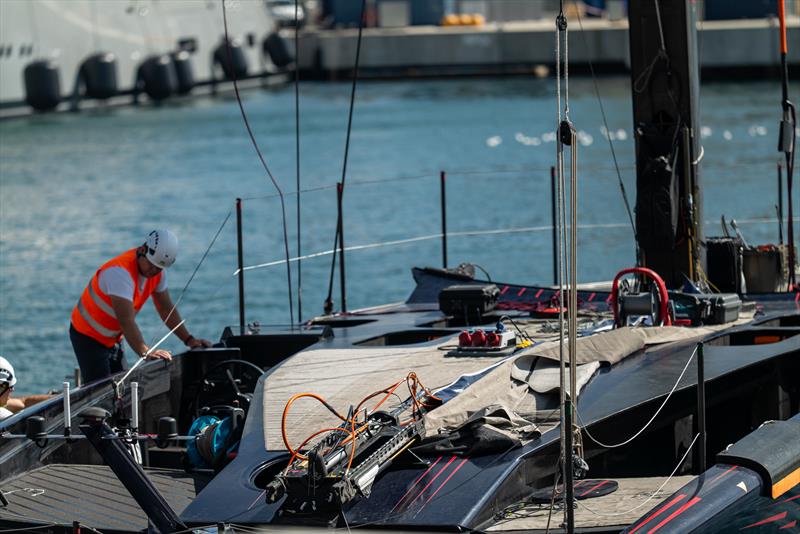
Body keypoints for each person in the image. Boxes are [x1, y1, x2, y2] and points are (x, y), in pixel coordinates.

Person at [70, 229, 211, 383]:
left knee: (121, 387)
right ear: (143, 250)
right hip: (88, 336)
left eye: (159, 268)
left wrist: (189, 340)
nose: (154, 271)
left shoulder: (157, 273)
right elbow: (126, 321)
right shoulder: (119, 273)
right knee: (100, 390)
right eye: (152, 265)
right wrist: (146, 352)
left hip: (113, 338)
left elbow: (166, 309)